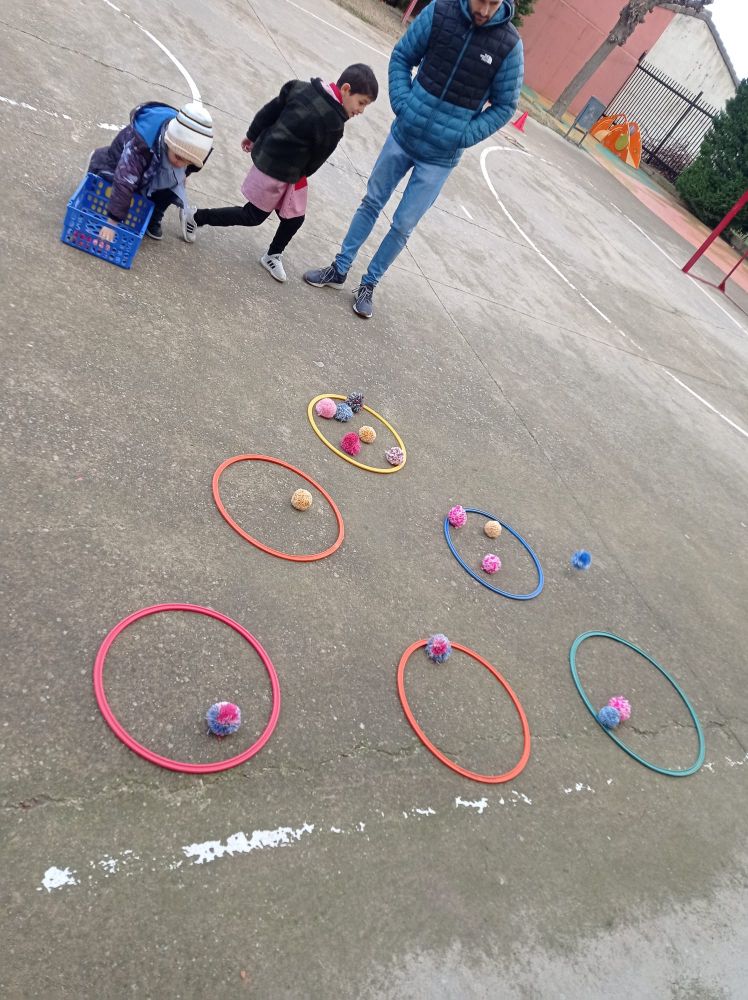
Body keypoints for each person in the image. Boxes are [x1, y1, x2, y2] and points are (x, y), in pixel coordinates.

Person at [303, 0, 524, 318]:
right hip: (403, 136)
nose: (485, 10)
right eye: (482, 0)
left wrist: (462, 136)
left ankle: (369, 284)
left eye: (494, 2)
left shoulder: (509, 45)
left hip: (440, 157)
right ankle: (339, 268)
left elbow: (505, 106)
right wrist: (403, 104)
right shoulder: (440, 11)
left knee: (403, 225)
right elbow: (402, 56)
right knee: (371, 202)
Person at [189, 64, 378, 283]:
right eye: (361, 103)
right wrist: (300, 171)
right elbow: (316, 161)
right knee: (253, 216)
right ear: (345, 89)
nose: (361, 110)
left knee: (294, 218)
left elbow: (270, 111)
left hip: (283, 166)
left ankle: (273, 254)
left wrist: (253, 134)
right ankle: (196, 217)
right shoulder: (333, 125)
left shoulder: (300, 87)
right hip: (278, 170)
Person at [89, 101, 214, 244]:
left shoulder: (192, 151)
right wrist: (112, 222)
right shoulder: (142, 145)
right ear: (169, 141)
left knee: (176, 182)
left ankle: (154, 215)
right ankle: (97, 160)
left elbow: (189, 166)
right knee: (115, 184)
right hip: (119, 164)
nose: (180, 164)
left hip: (152, 168)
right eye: (178, 157)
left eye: (187, 162)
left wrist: (184, 174)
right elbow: (125, 180)